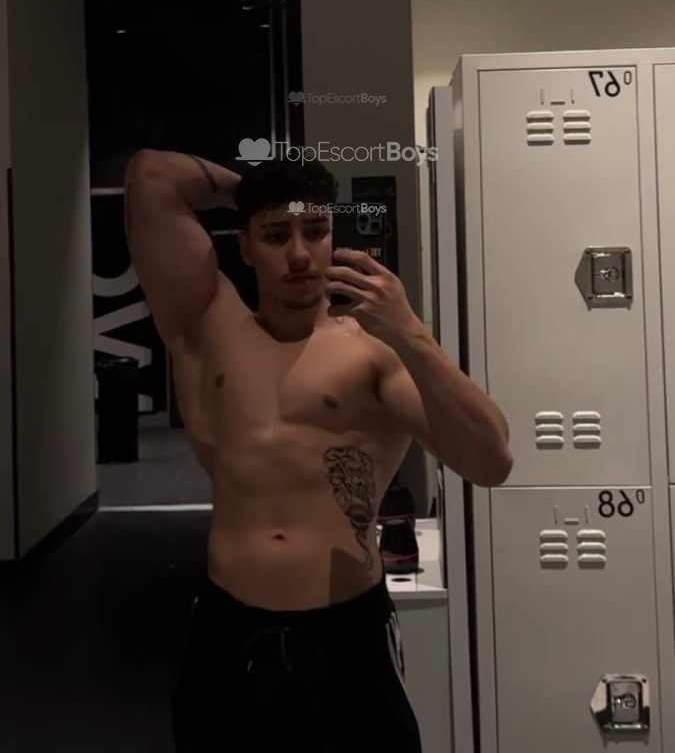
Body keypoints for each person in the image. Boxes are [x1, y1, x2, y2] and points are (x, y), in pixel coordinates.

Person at [124, 150, 512, 752]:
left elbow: (492, 462)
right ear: (246, 246)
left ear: (334, 235)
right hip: (231, 628)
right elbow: (151, 176)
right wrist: (259, 192)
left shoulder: (374, 354)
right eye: (276, 235)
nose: (301, 253)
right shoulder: (205, 325)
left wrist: (411, 331)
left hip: (347, 632)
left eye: (316, 229)